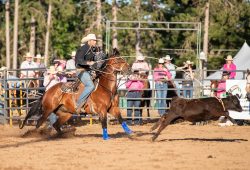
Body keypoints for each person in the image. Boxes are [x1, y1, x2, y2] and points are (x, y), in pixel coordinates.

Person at [75, 33, 97, 113]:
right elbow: (79, 61)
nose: (95, 42)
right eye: (94, 40)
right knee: (90, 86)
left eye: (95, 40)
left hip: (88, 71)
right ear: (89, 41)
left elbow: (94, 61)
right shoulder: (83, 48)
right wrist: (88, 63)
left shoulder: (92, 50)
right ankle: (78, 104)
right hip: (81, 71)